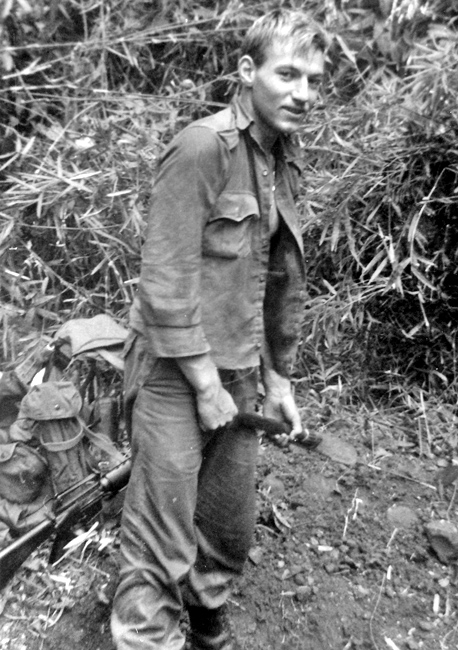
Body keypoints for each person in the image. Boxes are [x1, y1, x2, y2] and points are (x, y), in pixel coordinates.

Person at [111, 9, 327, 650]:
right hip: (178, 375)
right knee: (159, 546)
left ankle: (206, 629)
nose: (302, 93)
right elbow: (165, 284)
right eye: (287, 74)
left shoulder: (282, 158)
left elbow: (280, 278)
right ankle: (148, 636)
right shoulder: (202, 148)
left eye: (313, 80)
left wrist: (278, 379)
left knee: (227, 534)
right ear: (245, 72)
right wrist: (206, 386)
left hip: (238, 375)